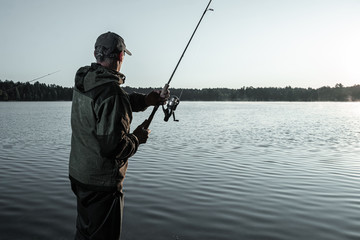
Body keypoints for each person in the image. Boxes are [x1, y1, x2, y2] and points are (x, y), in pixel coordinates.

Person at [69, 31, 169, 240]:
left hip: (80, 175)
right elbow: (113, 147)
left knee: (84, 234)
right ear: (121, 56)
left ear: (97, 54)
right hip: (101, 183)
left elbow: (113, 105)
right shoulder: (111, 92)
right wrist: (137, 138)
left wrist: (147, 100)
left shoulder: (87, 80)